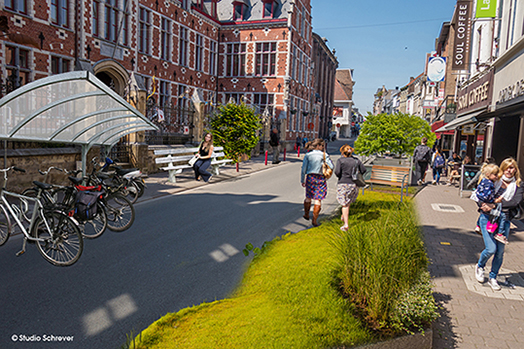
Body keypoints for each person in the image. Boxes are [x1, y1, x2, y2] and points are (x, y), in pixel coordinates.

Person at [475, 158, 523, 291]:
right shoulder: (494, 180)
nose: (509, 170)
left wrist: (493, 204)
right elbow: (479, 194)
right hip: (488, 218)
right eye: (507, 167)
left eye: (512, 167)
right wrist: (483, 205)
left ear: (515, 170)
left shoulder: (518, 185)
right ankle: (480, 266)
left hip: (505, 221)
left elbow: (514, 202)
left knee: (500, 252)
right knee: (491, 249)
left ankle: (493, 277)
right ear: (502, 168)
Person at [301, 138, 334, 227]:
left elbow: (303, 168)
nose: (323, 147)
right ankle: (314, 220)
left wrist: (302, 180)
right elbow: (331, 166)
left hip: (310, 177)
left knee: (308, 197)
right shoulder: (324, 155)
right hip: (320, 178)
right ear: (318, 146)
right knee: (318, 199)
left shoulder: (308, 155)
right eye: (322, 146)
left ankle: (307, 214)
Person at [334, 145, 366, 231]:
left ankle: (346, 225)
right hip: (354, 184)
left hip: (343, 183)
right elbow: (363, 170)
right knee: (347, 202)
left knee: (344, 204)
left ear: (342, 152)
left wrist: (342, 175)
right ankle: (343, 216)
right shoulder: (356, 160)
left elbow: (337, 172)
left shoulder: (341, 160)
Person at [473, 164, 506, 243]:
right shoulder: (489, 183)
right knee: (501, 216)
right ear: (488, 174)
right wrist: (492, 200)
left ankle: (478, 225)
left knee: (481, 213)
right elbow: (488, 194)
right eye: (495, 174)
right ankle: (499, 232)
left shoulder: (483, 180)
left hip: (481, 199)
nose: (496, 176)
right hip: (487, 201)